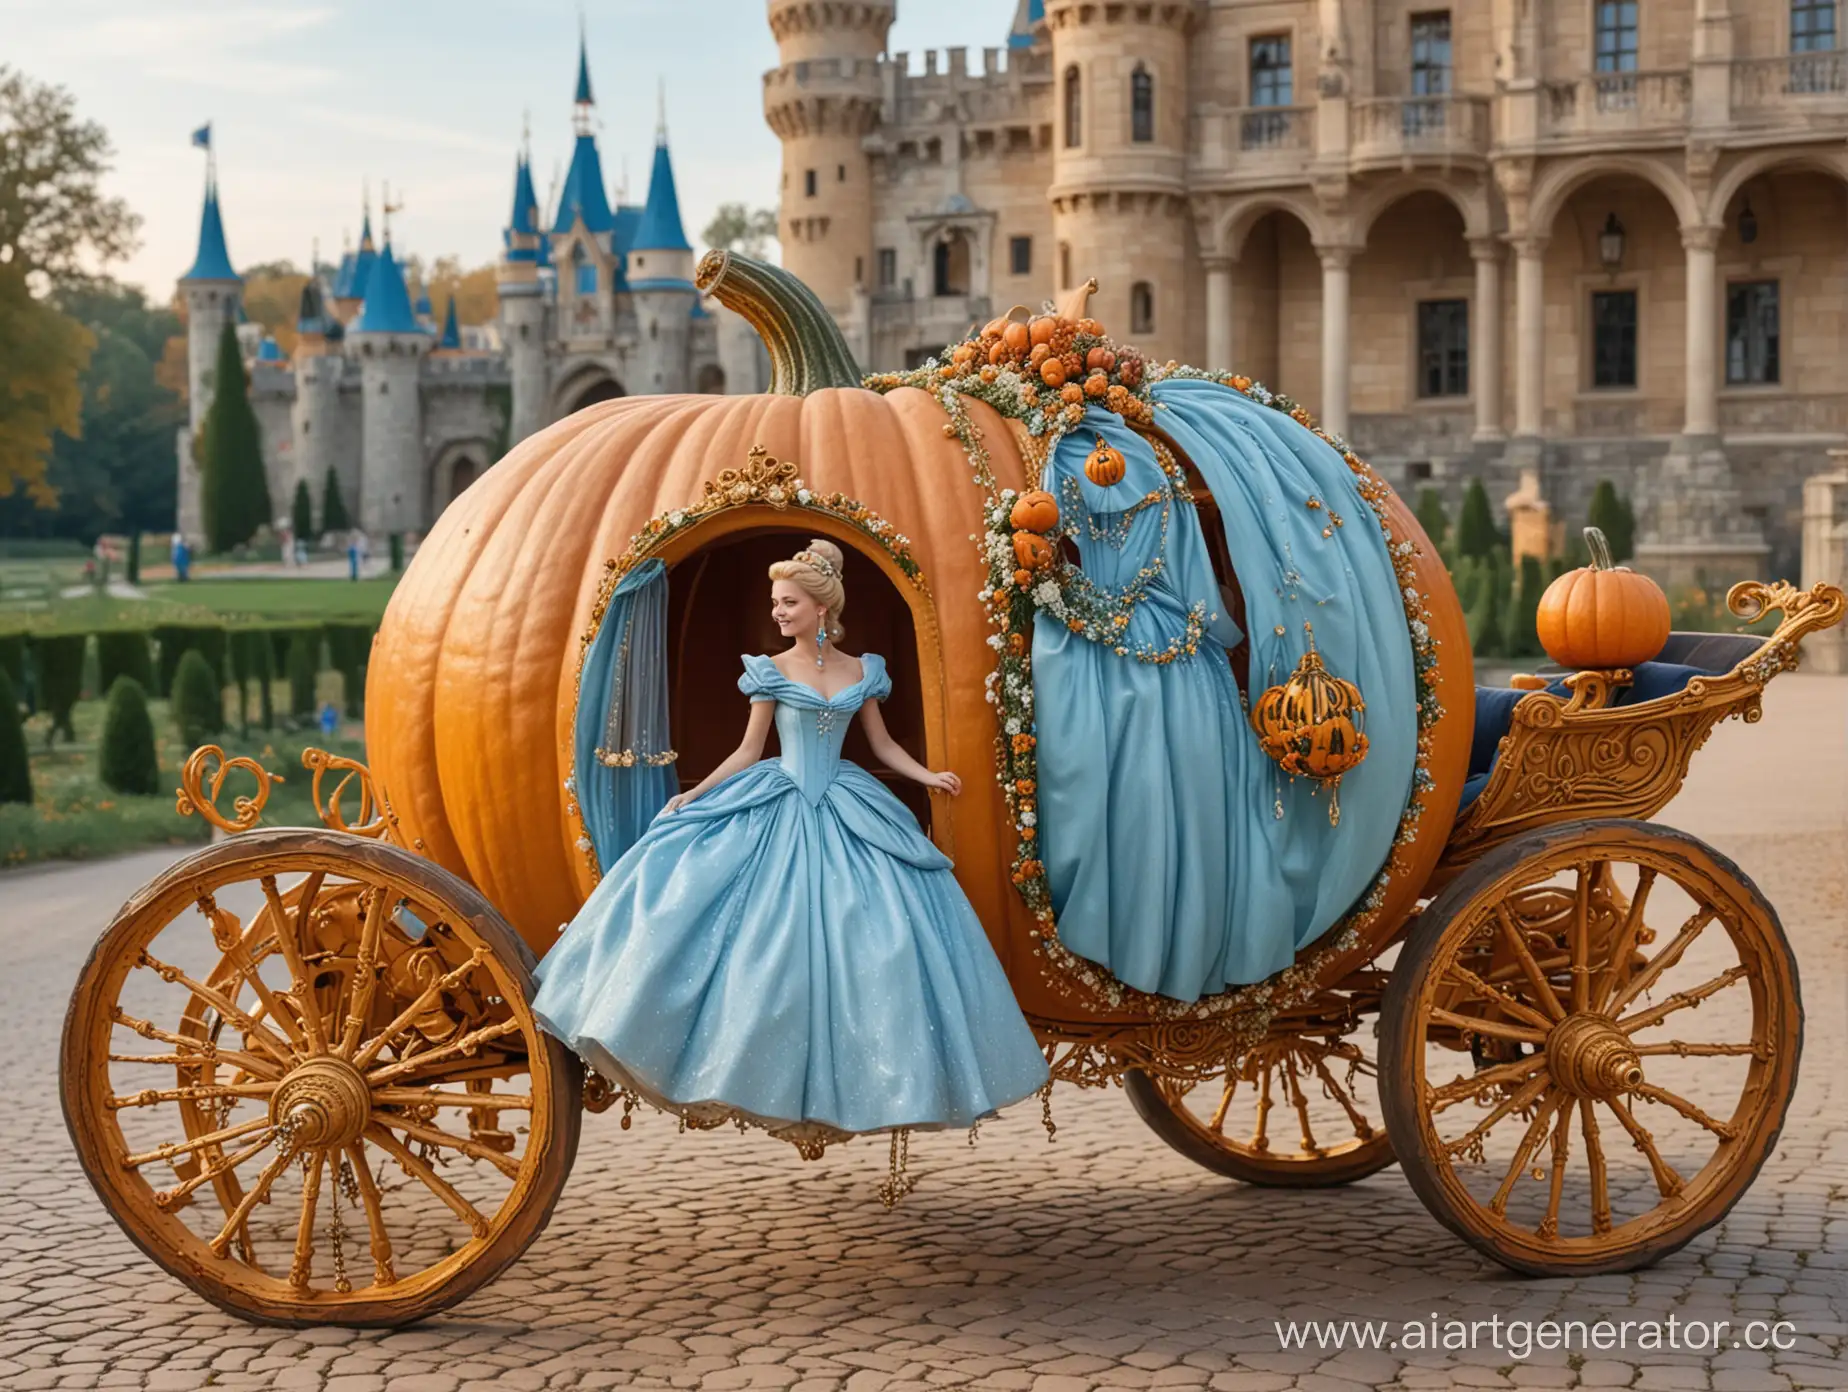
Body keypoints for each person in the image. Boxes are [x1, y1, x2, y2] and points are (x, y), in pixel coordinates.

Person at [532, 538, 1049, 1172]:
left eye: (789, 603)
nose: (778, 612)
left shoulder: (864, 671)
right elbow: (749, 751)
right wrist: (693, 794)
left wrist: (925, 776)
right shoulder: (769, 669)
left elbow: (880, 747)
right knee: (754, 929)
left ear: (820, 609)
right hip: (778, 795)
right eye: (775, 602)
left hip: (845, 802)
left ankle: (879, 1077)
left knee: (875, 935)